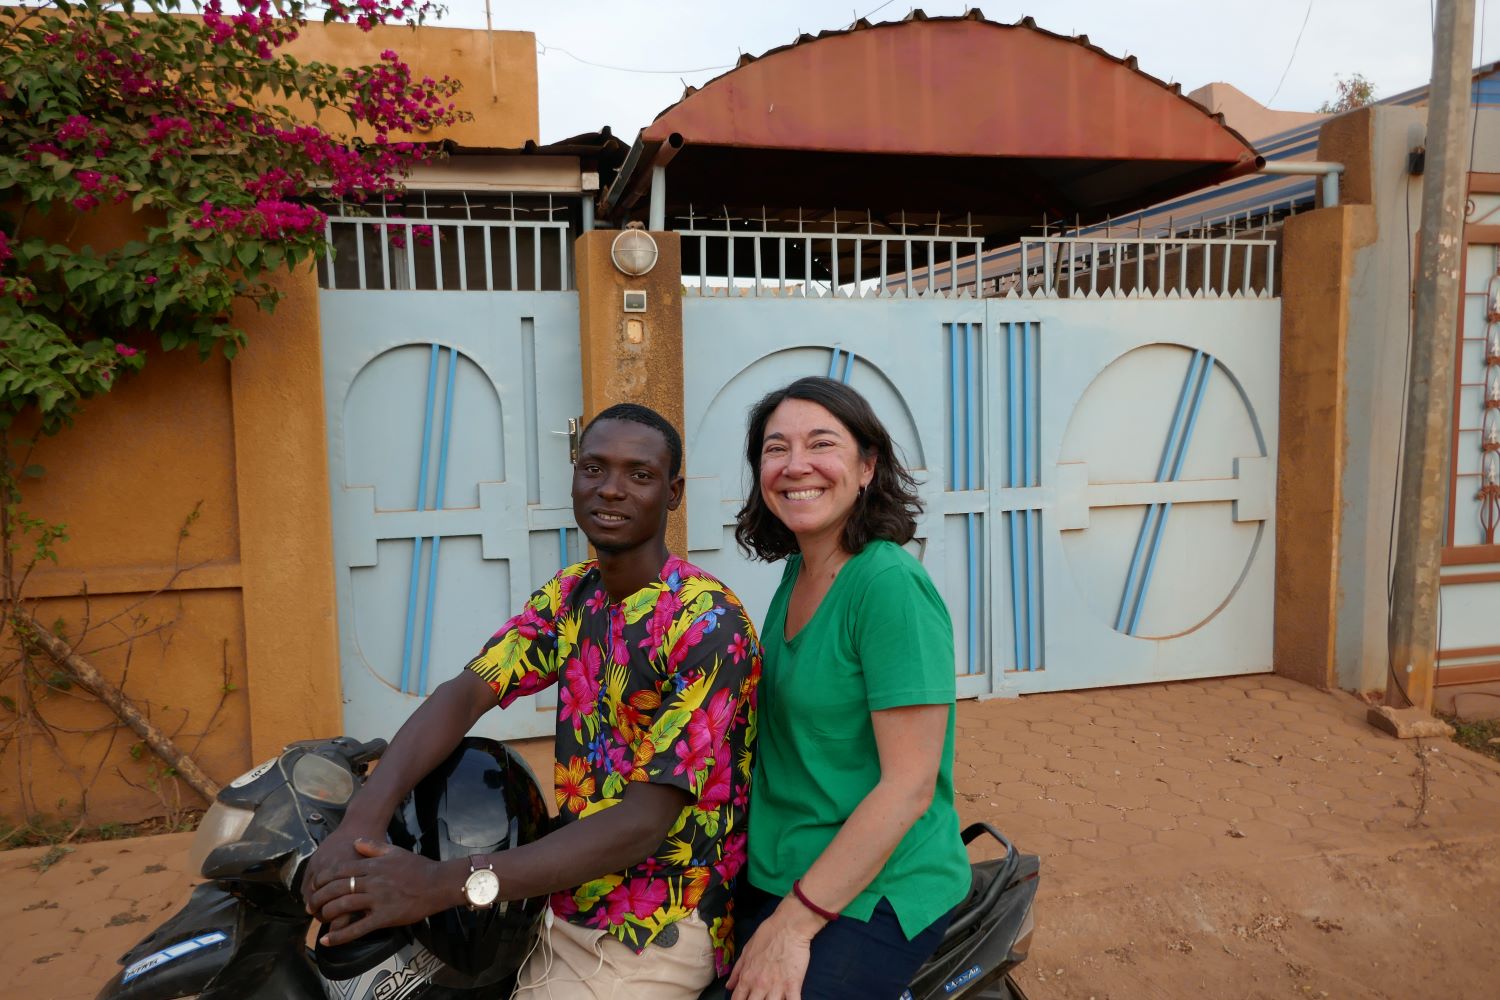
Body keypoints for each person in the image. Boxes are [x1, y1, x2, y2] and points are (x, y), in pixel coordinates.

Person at [303, 402, 761, 999]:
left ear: (673, 493)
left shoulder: (706, 625)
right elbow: (466, 693)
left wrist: (442, 884)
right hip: (558, 898)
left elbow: (643, 825)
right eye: (594, 469)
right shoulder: (574, 596)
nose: (612, 490)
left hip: (653, 929)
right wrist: (358, 826)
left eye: (639, 475)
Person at [724, 376, 969, 1000]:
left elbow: (909, 787)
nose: (795, 464)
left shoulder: (887, 587)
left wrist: (794, 924)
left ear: (867, 466)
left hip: (877, 885)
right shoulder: (798, 570)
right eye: (775, 448)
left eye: (820, 443)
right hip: (783, 861)